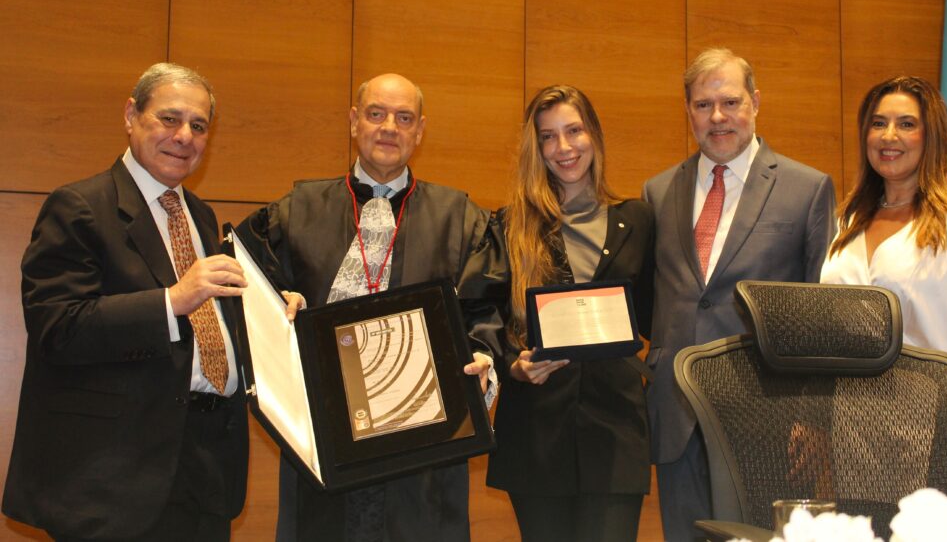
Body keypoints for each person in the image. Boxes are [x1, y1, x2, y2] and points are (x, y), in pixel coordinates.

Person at [236, 73, 499, 542]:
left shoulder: (460, 218)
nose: (389, 128)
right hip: (324, 446)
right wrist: (278, 307)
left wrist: (482, 356)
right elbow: (251, 292)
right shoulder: (295, 211)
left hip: (423, 450)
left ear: (421, 131)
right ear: (354, 121)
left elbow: (486, 312)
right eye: (376, 114)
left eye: (404, 118)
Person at [2, 63, 250, 541]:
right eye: (169, 118)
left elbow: (210, 325)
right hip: (114, 481)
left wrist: (267, 313)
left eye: (199, 126)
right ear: (131, 115)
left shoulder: (200, 216)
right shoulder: (80, 207)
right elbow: (58, 327)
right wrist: (171, 301)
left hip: (206, 471)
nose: (184, 136)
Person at [642, 48, 836, 541]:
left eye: (730, 102)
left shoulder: (806, 189)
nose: (718, 117)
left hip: (770, 420)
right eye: (703, 105)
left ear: (756, 102)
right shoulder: (658, 192)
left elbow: (820, 317)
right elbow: (652, 303)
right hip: (677, 416)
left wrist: (813, 418)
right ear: (688, 111)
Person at [820, 75, 947, 496]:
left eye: (906, 124)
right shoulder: (847, 224)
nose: (889, 136)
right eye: (878, 123)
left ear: (932, 136)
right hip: (851, 430)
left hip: (935, 432)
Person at [475, 85, 654, 541]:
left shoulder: (638, 219)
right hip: (535, 432)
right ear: (536, 148)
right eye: (548, 137)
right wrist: (512, 366)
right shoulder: (509, 225)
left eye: (574, 131)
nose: (564, 147)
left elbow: (656, 316)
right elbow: (484, 317)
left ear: (594, 135)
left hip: (616, 431)